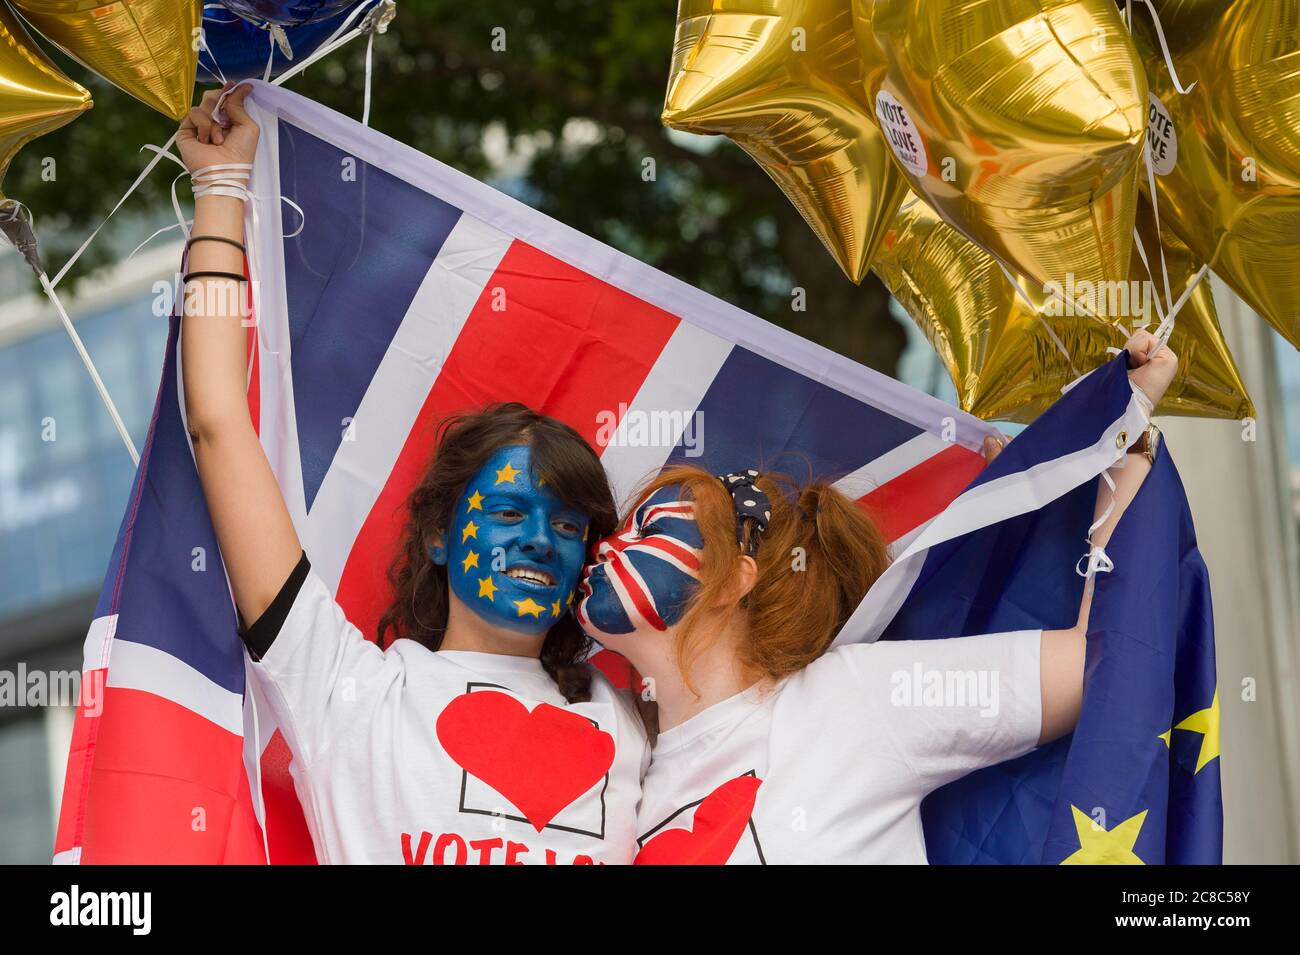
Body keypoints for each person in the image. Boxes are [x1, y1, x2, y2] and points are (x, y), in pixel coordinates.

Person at [176, 85, 648, 864]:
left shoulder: (637, 723)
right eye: (505, 513)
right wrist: (222, 189)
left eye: (568, 525)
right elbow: (218, 423)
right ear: (438, 533)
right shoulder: (348, 688)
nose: (539, 539)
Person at [577, 330, 1177, 863]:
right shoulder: (624, 777)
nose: (606, 546)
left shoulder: (850, 699)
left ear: (736, 580)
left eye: (649, 531)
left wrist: (1119, 439)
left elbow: (1094, 659)